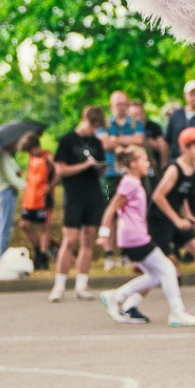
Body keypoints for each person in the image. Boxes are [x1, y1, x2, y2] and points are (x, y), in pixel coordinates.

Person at [99, 145, 195, 326]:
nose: (148, 163)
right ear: (133, 164)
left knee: (156, 275)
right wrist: (104, 234)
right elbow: (112, 208)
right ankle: (177, 313)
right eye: (144, 160)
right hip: (134, 238)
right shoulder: (130, 182)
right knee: (168, 269)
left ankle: (116, 296)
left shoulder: (135, 182)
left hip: (136, 237)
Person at [151, 127, 195, 308]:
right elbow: (158, 196)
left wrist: (188, 215)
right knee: (160, 268)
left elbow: (182, 195)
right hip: (159, 220)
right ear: (184, 148)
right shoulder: (174, 169)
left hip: (174, 218)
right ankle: (128, 302)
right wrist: (177, 220)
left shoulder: (194, 167)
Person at [50, 105, 107, 301]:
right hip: (74, 196)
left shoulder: (96, 142)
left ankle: (82, 284)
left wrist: (99, 168)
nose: (94, 130)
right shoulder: (67, 141)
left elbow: (101, 168)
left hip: (93, 195)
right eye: (92, 125)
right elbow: (61, 170)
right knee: (70, 240)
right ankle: (59, 285)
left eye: (97, 127)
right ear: (84, 119)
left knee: (88, 240)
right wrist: (85, 165)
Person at [17, 131, 54, 263]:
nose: (29, 153)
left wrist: (51, 185)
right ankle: (38, 249)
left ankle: (44, 256)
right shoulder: (32, 158)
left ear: (36, 146)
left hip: (43, 198)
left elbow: (58, 172)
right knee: (24, 224)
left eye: (30, 150)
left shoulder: (48, 157)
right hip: (30, 198)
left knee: (44, 227)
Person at [101, 90, 141, 197]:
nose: (122, 107)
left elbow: (139, 140)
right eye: (118, 104)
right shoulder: (104, 123)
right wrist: (129, 141)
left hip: (131, 174)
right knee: (109, 203)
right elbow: (105, 144)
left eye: (124, 104)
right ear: (111, 105)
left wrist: (114, 139)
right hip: (110, 174)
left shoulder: (136, 123)